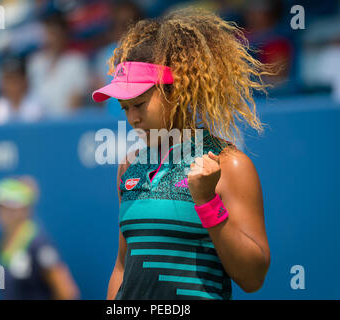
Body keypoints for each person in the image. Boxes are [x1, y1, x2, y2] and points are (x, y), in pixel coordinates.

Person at [92, 8, 271, 300]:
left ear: (175, 92)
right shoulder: (129, 167)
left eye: (139, 104)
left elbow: (253, 278)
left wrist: (207, 202)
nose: (133, 118)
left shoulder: (230, 164)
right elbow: (123, 268)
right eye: (125, 109)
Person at [0, 176, 79, 300]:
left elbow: (67, 293)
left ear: (23, 209)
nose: (1, 212)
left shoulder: (39, 244)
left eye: (7, 206)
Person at [27, 12, 90, 118]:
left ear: (64, 35)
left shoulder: (77, 62)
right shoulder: (35, 62)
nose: (52, 39)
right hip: (38, 123)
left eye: (56, 34)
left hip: (65, 124)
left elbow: (76, 101)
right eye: (49, 34)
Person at [0, 58, 44, 126]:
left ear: (24, 80)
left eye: (15, 78)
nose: (11, 84)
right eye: (8, 79)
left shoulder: (37, 106)